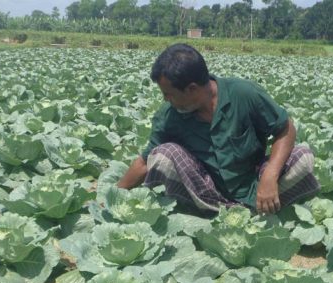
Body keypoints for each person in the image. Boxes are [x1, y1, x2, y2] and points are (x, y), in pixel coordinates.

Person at [116, 43, 320, 215]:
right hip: (205, 195)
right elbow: (144, 162)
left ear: (192, 89)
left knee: (303, 157)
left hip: (254, 187)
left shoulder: (243, 93)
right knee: (162, 155)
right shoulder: (169, 115)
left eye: (169, 94)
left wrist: (270, 176)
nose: (165, 99)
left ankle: (264, 205)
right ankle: (211, 215)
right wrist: (114, 196)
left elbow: (285, 129)